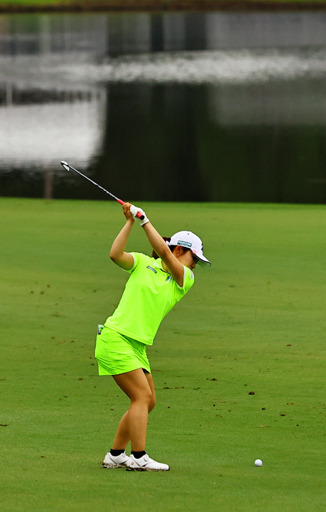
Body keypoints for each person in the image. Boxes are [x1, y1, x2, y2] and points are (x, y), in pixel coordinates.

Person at [96, 201, 210, 472]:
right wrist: (130, 222)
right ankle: (138, 457)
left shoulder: (184, 278)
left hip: (137, 346)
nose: (195, 265)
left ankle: (115, 455)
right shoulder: (142, 263)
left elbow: (164, 252)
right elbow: (115, 254)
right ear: (181, 250)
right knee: (141, 399)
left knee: (149, 401)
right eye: (194, 258)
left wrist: (145, 220)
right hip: (115, 338)